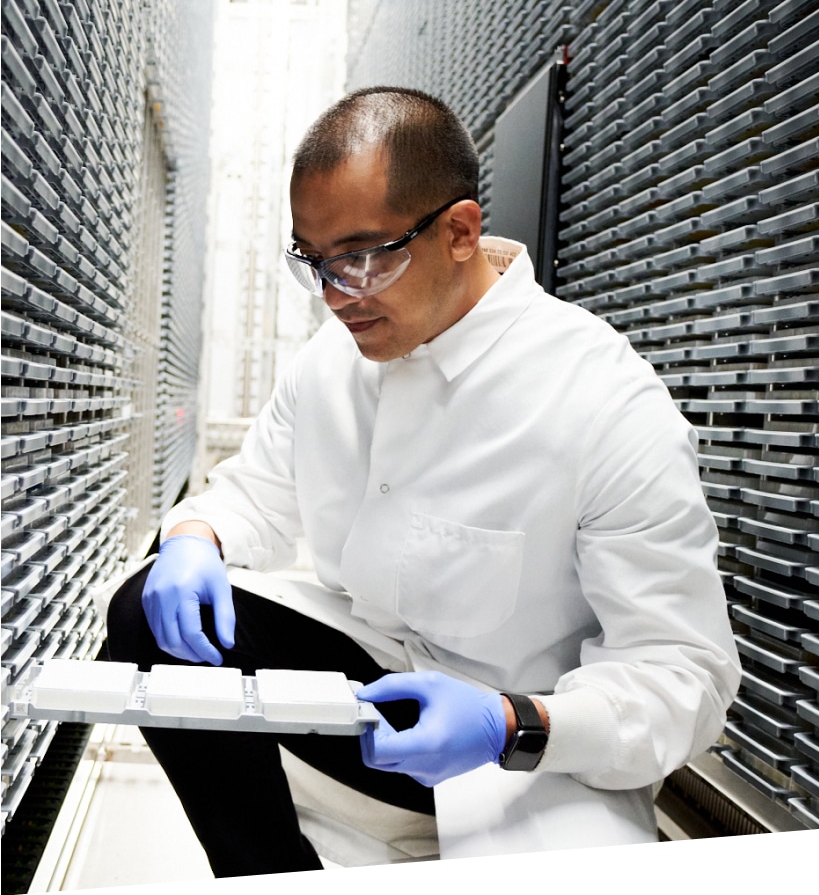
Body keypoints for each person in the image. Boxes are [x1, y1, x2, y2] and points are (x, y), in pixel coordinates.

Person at [106, 86, 741, 877]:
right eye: (315, 260)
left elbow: (685, 676)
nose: (339, 296)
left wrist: (515, 722)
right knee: (142, 616)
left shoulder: (603, 400)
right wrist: (194, 537)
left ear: (461, 232)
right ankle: (268, 874)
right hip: (376, 694)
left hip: (521, 754)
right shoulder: (334, 361)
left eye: (365, 257)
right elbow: (255, 494)